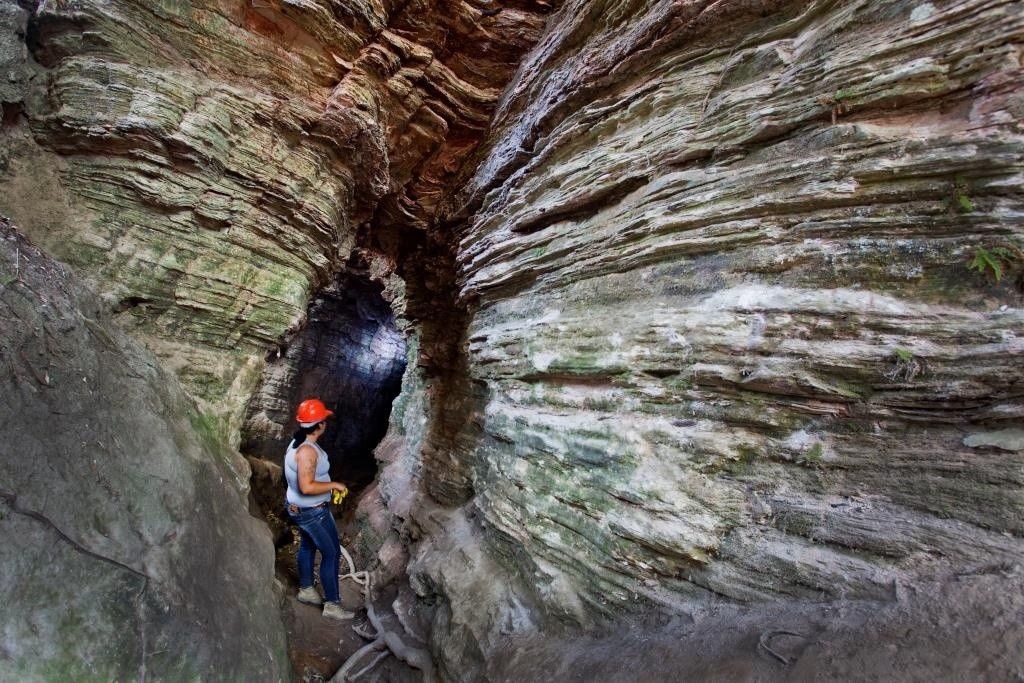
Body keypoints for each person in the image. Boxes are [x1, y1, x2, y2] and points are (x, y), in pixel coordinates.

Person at [284, 398, 353, 620]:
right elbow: (307, 486)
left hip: (300, 508)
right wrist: (334, 485)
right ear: (320, 424)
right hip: (312, 512)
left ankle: (306, 590)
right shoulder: (307, 451)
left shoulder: (297, 441)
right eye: (324, 420)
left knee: (307, 546)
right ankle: (332, 604)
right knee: (331, 553)